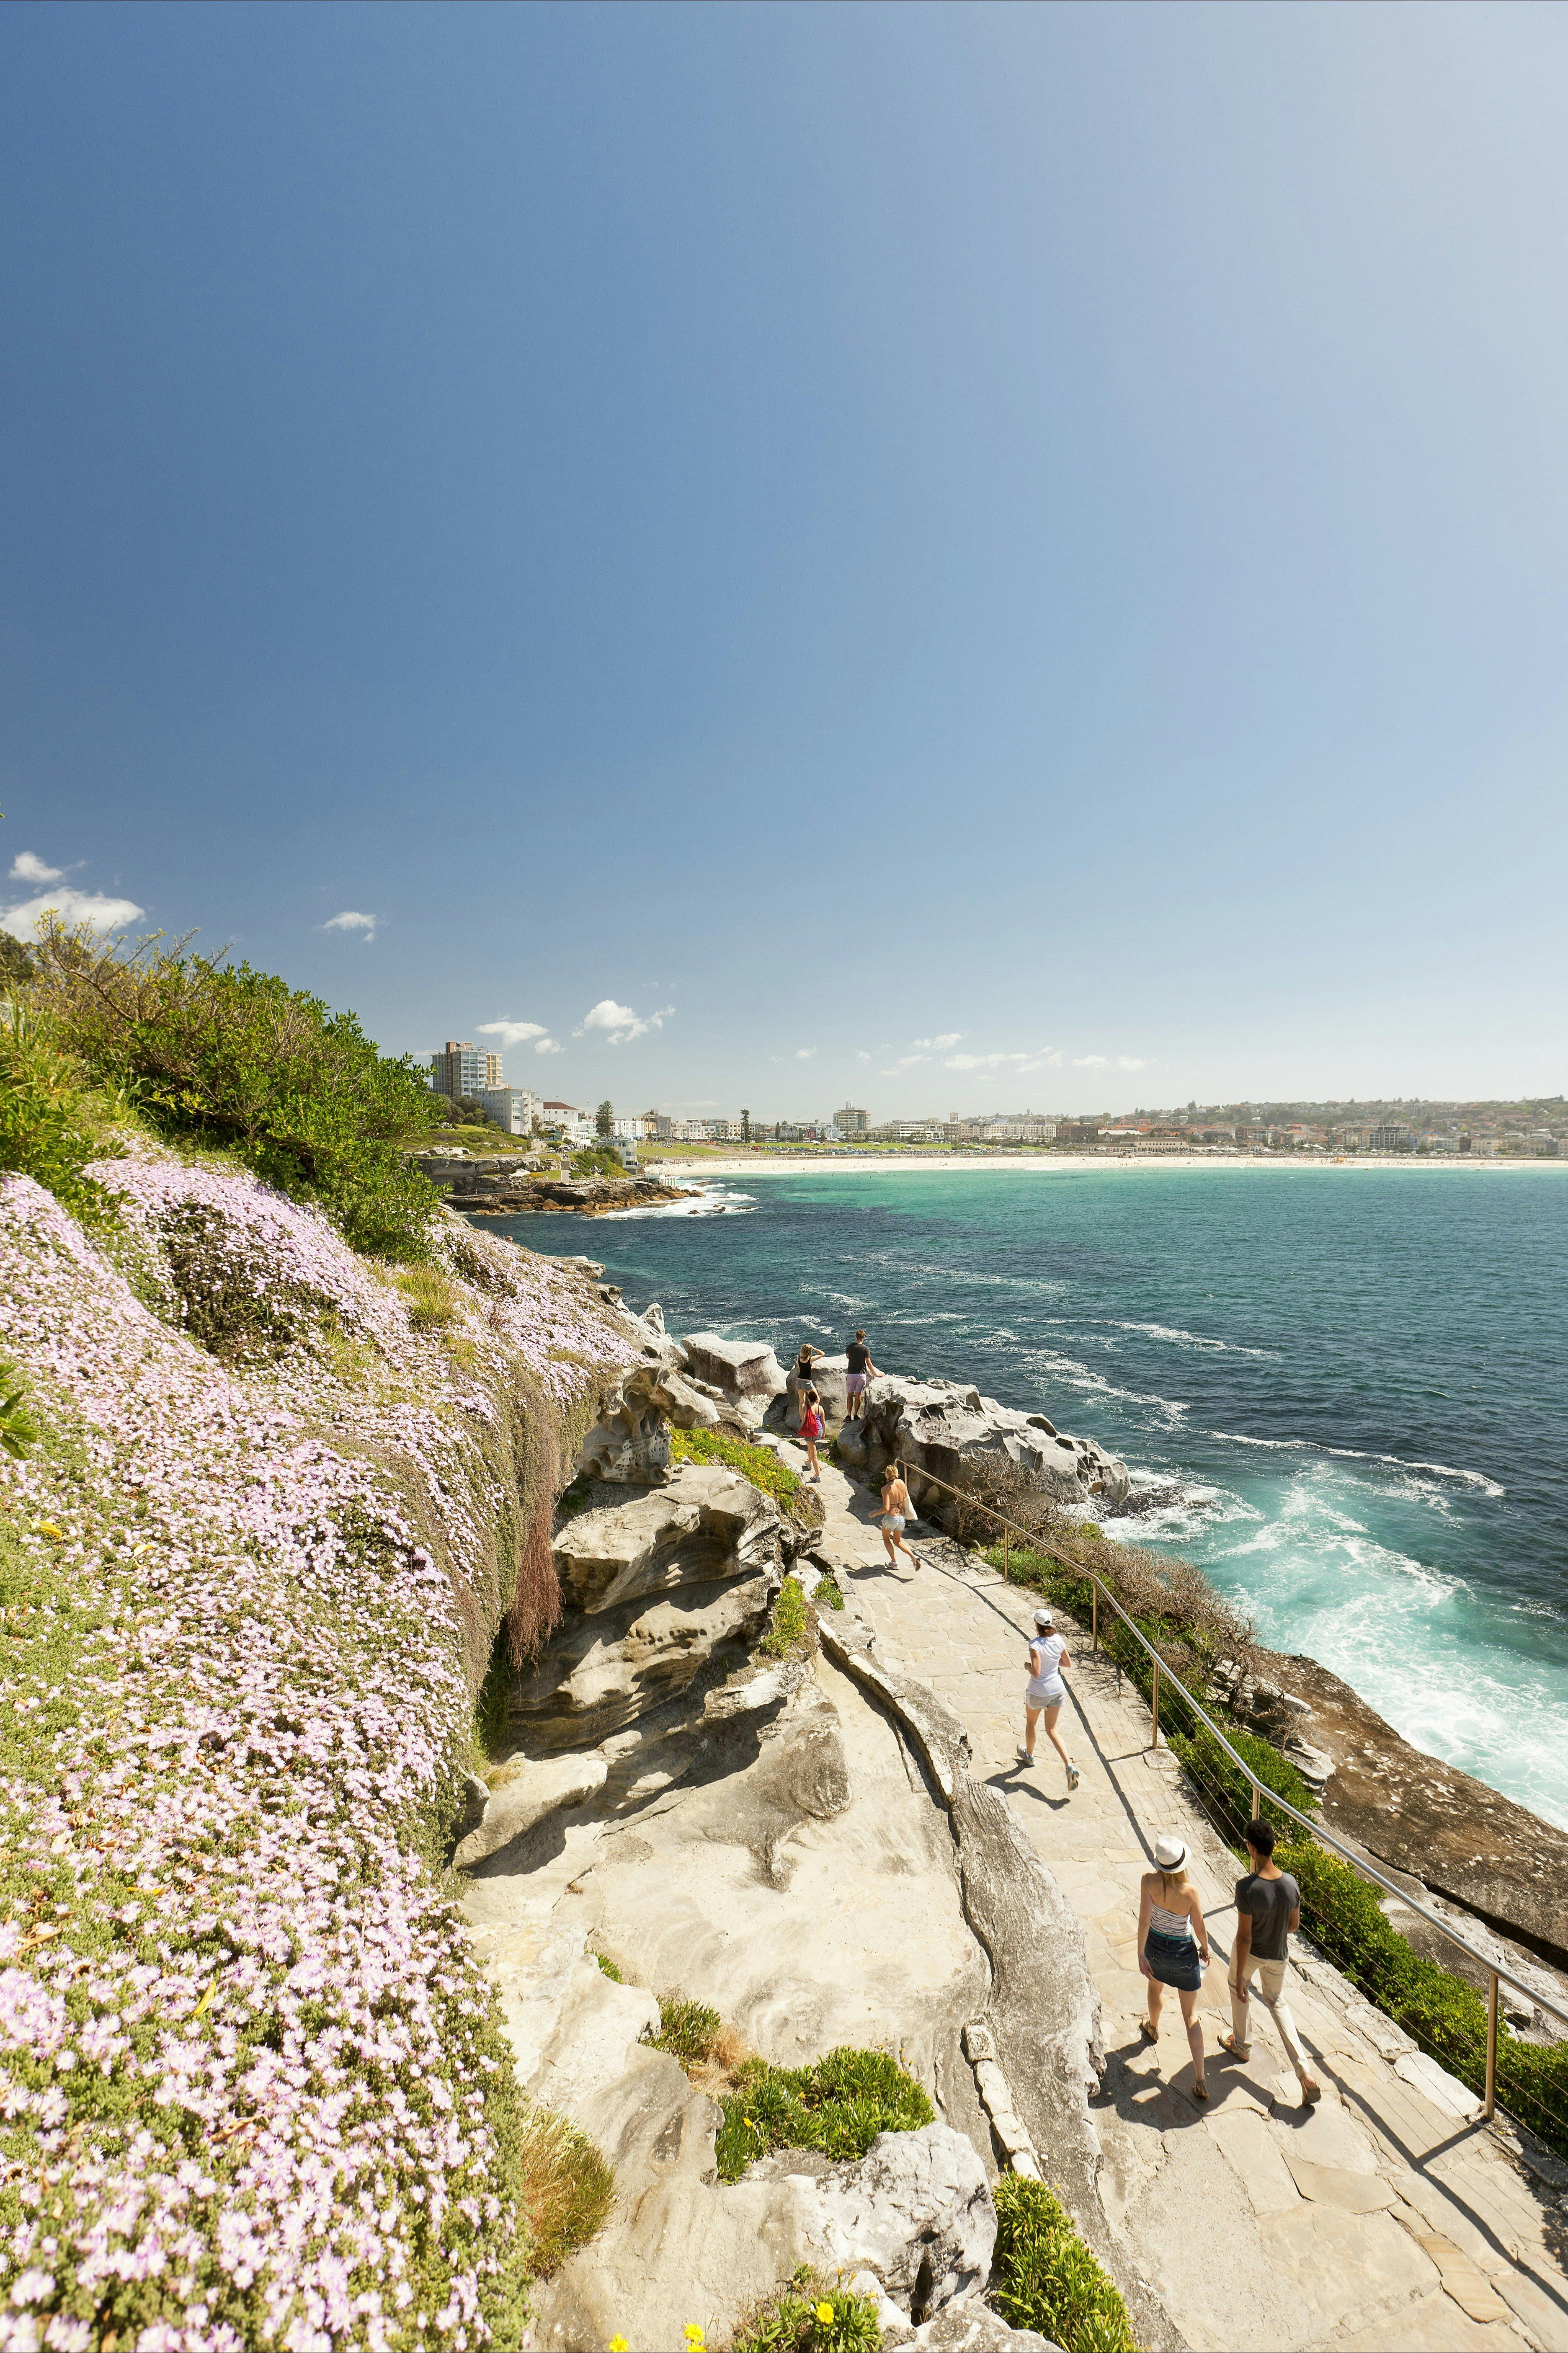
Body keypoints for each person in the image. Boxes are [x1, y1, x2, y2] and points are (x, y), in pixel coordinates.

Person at [1220, 1818, 1321, 2105]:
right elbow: (1294, 1925)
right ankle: (1304, 2072)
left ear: (1251, 1848)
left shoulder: (1247, 1887)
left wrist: (1241, 1976)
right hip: (1279, 1955)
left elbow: (1244, 1937)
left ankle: (1241, 2045)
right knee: (1277, 2002)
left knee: (1237, 1989)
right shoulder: (1291, 1884)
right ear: (1273, 1846)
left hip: (1252, 1954)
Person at [1136, 1834, 1211, 2101]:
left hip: (1155, 1948)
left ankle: (1153, 2026)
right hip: (1182, 1953)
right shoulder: (1190, 1892)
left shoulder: (1148, 1881)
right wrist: (1205, 1948)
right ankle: (1201, 2078)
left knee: (1155, 1987)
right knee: (1191, 2016)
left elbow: (1145, 1920)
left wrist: (1141, 1953)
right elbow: (1199, 1927)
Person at [1019, 1607, 1080, 1790]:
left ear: (1037, 1625)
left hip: (1039, 1692)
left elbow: (1037, 1673)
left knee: (1031, 1724)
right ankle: (1069, 1765)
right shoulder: (1059, 1639)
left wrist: (1029, 1667)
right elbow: (1067, 1663)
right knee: (1052, 1729)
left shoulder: (1035, 1644)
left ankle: (1029, 1756)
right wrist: (1054, 1664)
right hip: (1058, 1689)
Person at [879, 1462, 918, 1574]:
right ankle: (913, 1557)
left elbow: (886, 1508)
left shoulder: (885, 1489)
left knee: (886, 1539)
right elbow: (906, 1497)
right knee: (898, 1541)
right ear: (897, 1474)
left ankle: (894, 1562)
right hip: (901, 1518)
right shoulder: (901, 1483)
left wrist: (874, 1513)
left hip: (891, 1518)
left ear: (887, 1475)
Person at [844, 1330, 878, 1420]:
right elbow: (869, 1363)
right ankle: (856, 1415)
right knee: (858, 1395)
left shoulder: (850, 1347)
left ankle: (848, 1416)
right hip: (861, 1375)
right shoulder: (865, 1349)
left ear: (856, 1337)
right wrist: (876, 1374)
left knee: (850, 1395)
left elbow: (848, 1356)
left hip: (851, 1374)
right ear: (864, 1338)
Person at [799, 1384, 825, 1482]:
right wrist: (823, 1433)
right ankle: (808, 1462)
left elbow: (804, 1420)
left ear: (809, 1399)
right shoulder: (820, 1408)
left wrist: (803, 1428)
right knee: (811, 1446)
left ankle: (817, 1476)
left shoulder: (807, 1407)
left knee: (814, 1454)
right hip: (819, 1431)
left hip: (810, 1431)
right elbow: (823, 1422)